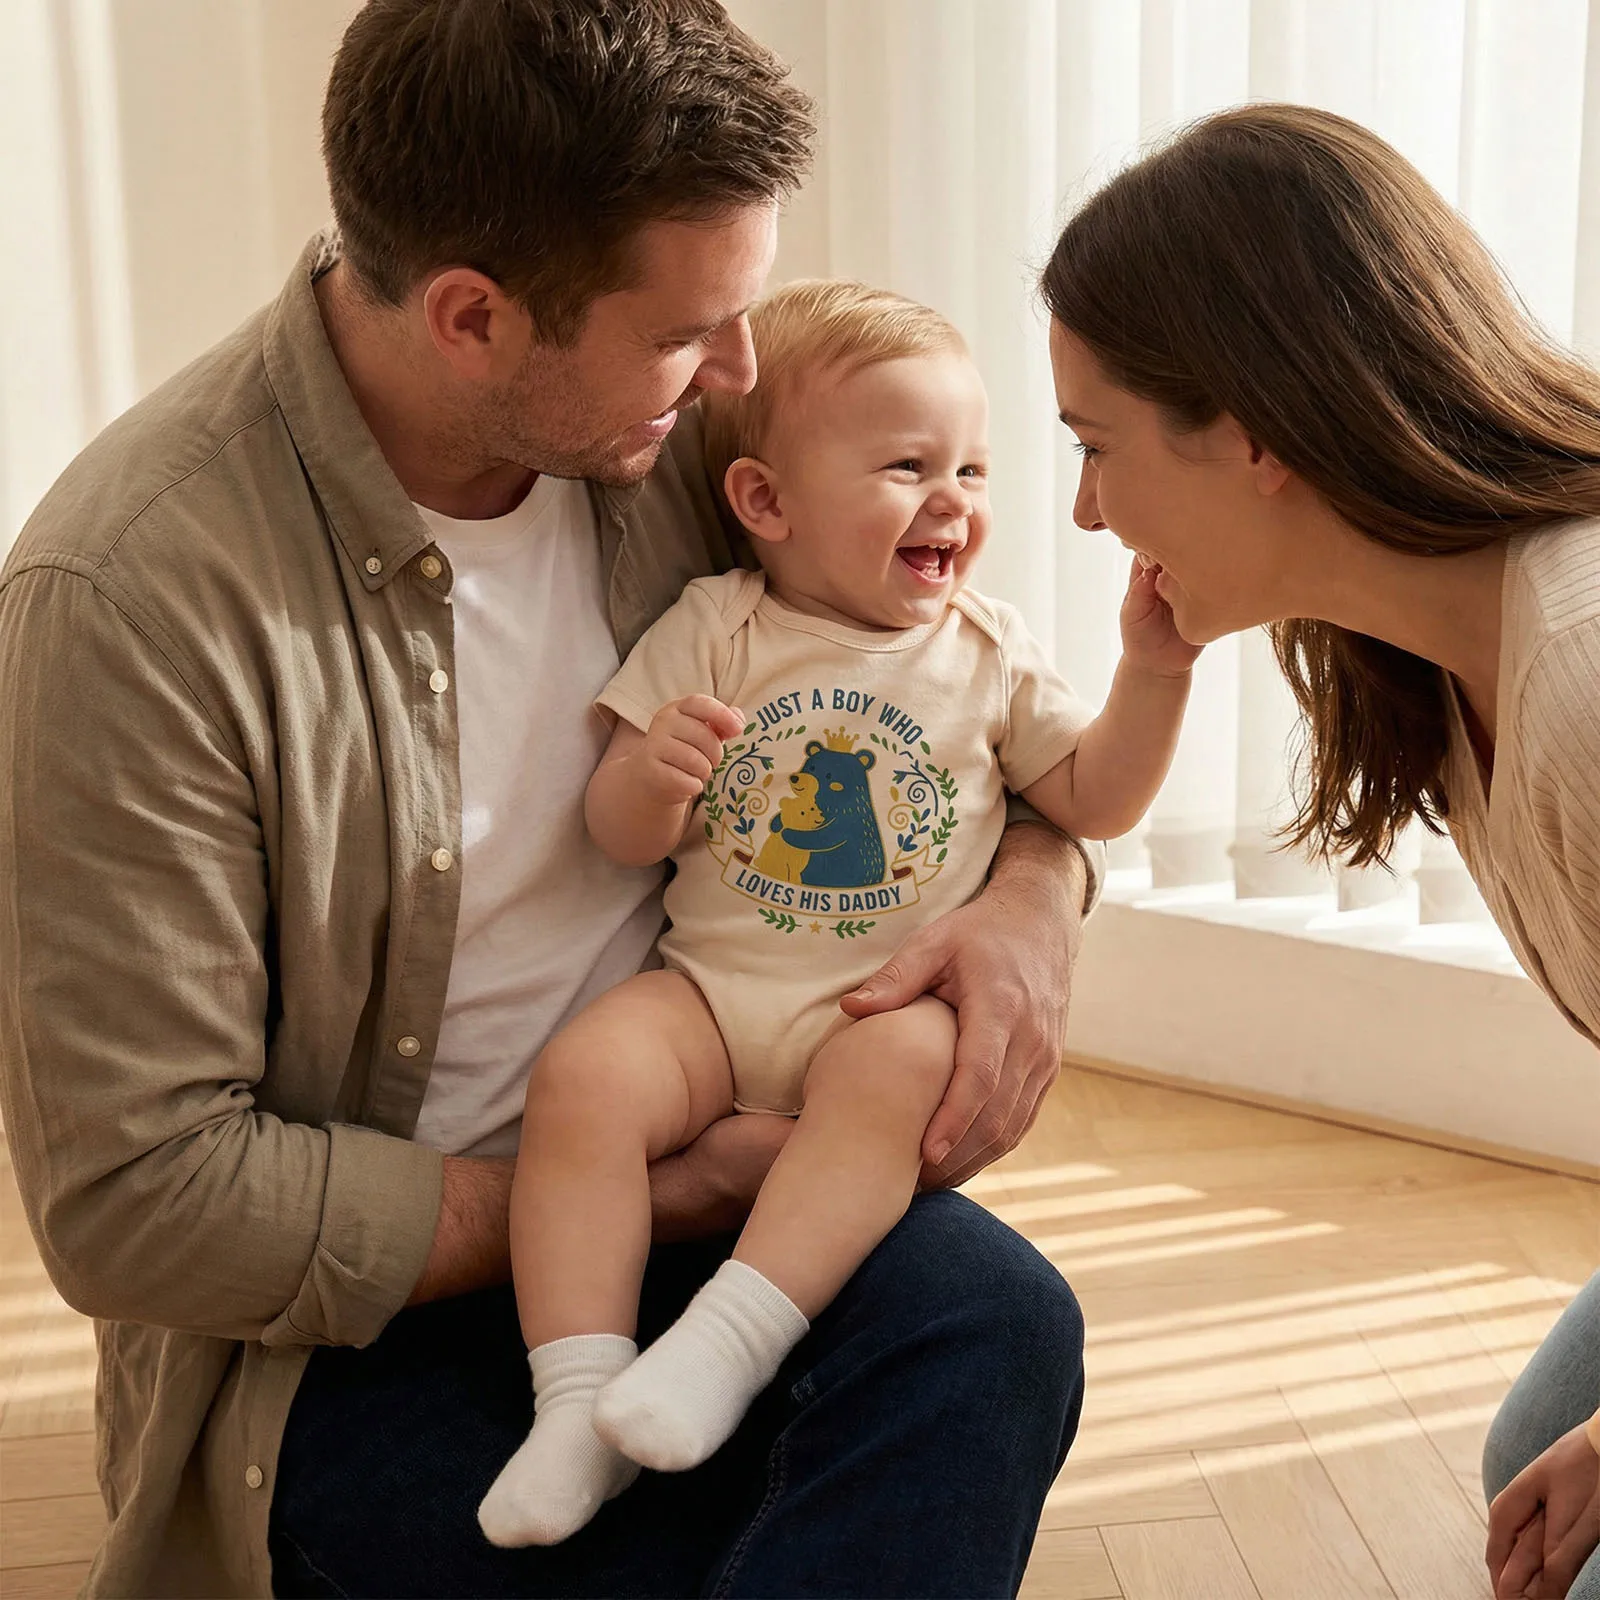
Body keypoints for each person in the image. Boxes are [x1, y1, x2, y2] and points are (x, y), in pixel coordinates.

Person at [0, 3, 1100, 1596]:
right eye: (686, 333)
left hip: (723, 1165)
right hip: (361, 1329)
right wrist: (650, 1195)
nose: (735, 371)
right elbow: (141, 1207)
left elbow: (960, 693)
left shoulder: (689, 445)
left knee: (996, 1331)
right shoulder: (130, 600)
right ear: (472, 316)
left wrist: (1033, 901)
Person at [477, 280, 1196, 1547]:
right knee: (584, 1078)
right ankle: (576, 1397)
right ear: (766, 502)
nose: (952, 498)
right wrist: (650, 777)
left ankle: (726, 1342)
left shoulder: (985, 649)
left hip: (878, 1009)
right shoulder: (715, 627)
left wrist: (1156, 666)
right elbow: (619, 834)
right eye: (908, 466)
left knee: (905, 1059)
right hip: (711, 1001)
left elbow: (1094, 798)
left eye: (970, 466)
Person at [1040, 102, 1600, 1600]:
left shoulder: (1586, 664)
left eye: (1095, 446)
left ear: (1245, 429)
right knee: (1530, 1468)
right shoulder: (1430, 648)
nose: (1085, 511)